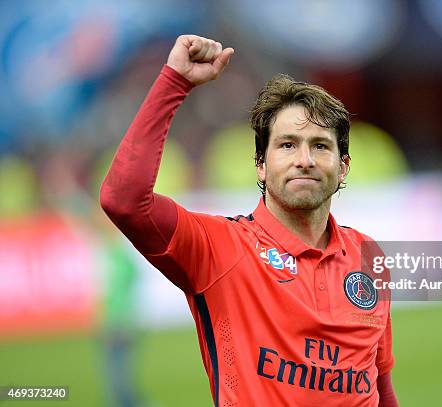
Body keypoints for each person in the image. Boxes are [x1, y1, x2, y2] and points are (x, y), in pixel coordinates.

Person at [100, 35, 398, 406]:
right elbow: (124, 200)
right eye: (287, 145)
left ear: (342, 167)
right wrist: (175, 82)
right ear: (260, 165)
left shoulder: (368, 255)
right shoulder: (220, 246)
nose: (304, 159)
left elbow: (379, 385)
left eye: (320, 146)